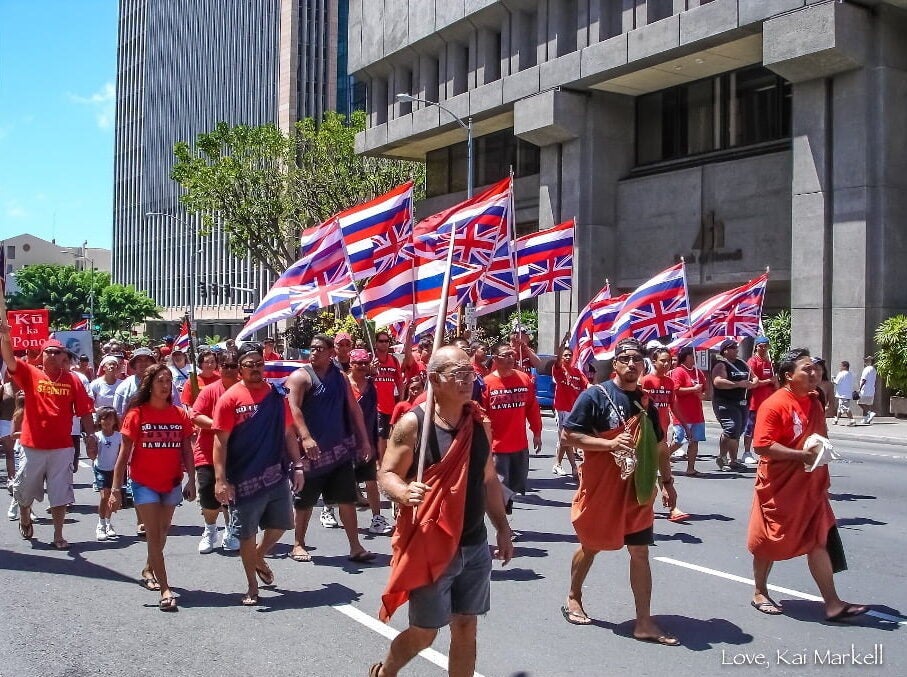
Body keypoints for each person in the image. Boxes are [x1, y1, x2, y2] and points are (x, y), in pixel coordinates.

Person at [371, 346, 513, 677]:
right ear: (435, 379)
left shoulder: (479, 423)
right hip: (432, 544)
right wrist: (404, 491)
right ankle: (387, 670)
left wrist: (503, 528)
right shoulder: (413, 423)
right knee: (425, 632)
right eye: (458, 374)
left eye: (470, 373)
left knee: (466, 626)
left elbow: (488, 480)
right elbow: (386, 473)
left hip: (474, 544)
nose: (468, 381)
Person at [561, 338, 678, 645]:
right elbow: (569, 435)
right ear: (614, 364)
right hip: (602, 489)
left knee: (640, 551)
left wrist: (667, 483)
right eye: (624, 359)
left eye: (636, 360)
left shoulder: (646, 402)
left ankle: (643, 621)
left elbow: (659, 447)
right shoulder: (594, 396)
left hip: (637, 490)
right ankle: (573, 596)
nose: (630, 365)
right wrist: (609, 444)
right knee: (591, 545)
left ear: (643, 365)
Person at [747, 348, 868, 621]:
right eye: (806, 368)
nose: (814, 372)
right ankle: (760, 591)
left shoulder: (815, 400)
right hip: (779, 486)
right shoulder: (774, 404)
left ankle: (833, 603)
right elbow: (762, 445)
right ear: (789, 376)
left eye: (815, 367)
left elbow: (818, 437)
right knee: (768, 541)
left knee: (818, 541)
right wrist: (801, 455)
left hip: (810, 486)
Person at [212, 343, 304, 606]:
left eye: (259, 364)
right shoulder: (230, 398)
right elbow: (221, 442)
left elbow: (289, 432)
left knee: (282, 524)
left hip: (275, 472)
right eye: (249, 365)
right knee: (246, 532)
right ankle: (252, 586)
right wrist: (221, 479)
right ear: (239, 369)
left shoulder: (276, 396)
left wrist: (298, 466)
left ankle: (258, 556)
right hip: (244, 476)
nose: (255, 370)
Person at [0, 325, 97, 550]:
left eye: (57, 352)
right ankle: (25, 514)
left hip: (61, 447)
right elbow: (9, 359)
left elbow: (84, 412)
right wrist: (5, 337)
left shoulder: (73, 380)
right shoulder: (30, 373)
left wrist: (91, 436)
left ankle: (58, 534)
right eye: (48, 352)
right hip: (32, 446)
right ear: (41, 356)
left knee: (60, 493)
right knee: (24, 491)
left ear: (65, 356)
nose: (53, 355)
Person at [109, 364, 196, 611]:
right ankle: (166, 589)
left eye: (168, 380)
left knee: (163, 530)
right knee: (153, 534)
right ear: (150, 384)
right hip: (143, 482)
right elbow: (123, 454)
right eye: (160, 380)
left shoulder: (179, 414)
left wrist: (192, 480)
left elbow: (187, 450)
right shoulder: (137, 414)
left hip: (171, 482)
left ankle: (149, 568)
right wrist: (116, 489)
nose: (165, 385)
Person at [285, 333, 376, 563]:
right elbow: (293, 409)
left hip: (340, 450)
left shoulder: (341, 377)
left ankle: (355, 547)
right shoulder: (300, 377)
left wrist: (364, 440)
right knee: (304, 501)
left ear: (331, 353)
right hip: (311, 453)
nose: (314, 352)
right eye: (312, 348)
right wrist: (305, 437)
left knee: (346, 499)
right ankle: (298, 544)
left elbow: (354, 409)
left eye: (319, 349)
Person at [482, 343, 542, 521]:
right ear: (495, 358)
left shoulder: (524, 379)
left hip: (519, 445)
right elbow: (480, 415)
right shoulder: (487, 384)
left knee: (515, 485)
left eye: (512, 354)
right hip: (496, 447)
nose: (510, 358)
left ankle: (505, 507)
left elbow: (532, 408)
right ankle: (502, 524)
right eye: (505, 355)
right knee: (499, 486)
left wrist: (537, 432)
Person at [188, 355, 241, 554]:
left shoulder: (244, 390)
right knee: (209, 497)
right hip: (207, 453)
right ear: (220, 367)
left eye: (233, 365)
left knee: (232, 496)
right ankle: (210, 530)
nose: (229, 369)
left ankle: (231, 530)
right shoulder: (210, 391)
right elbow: (195, 415)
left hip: (237, 454)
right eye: (225, 366)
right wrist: (218, 425)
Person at [347, 348, 394, 535]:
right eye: (358, 363)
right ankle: (328, 509)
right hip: (346, 441)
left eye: (365, 363)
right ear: (351, 364)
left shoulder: (371, 386)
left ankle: (377, 518)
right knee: (340, 480)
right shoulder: (343, 384)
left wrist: (373, 441)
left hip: (366, 438)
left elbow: (374, 414)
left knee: (371, 479)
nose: (362, 366)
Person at [641, 347, 689, 522]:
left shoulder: (669, 383)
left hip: (662, 435)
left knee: (666, 472)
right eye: (663, 360)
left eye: (669, 360)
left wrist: (685, 425)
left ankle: (673, 507)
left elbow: (674, 405)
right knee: (649, 473)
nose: (667, 363)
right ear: (654, 362)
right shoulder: (645, 381)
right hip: (646, 435)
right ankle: (646, 510)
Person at [711, 339, 756, 471]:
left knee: (737, 431)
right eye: (733, 348)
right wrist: (737, 384)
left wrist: (753, 383)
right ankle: (728, 458)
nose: (736, 350)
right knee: (732, 427)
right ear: (725, 350)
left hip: (742, 402)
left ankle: (727, 458)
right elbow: (718, 382)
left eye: (736, 347)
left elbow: (754, 377)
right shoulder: (721, 365)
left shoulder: (742, 363)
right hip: (725, 402)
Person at [668, 346, 707, 476]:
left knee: (694, 441)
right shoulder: (678, 371)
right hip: (682, 414)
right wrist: (693, 389)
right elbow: (676, 390)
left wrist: (702, 394)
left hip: (696, 414)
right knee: (679, 440)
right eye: (692, 355)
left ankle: (691, 468)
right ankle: (662, 458)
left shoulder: (698, 372)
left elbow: (705, 389)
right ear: (685, 357)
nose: (694, 358)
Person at [552, 346, 587, 477]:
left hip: (573, 410)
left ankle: (557, 464)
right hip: (561, 408)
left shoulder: (577, 372)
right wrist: (562, 345)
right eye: (565, 355)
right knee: (566, 438)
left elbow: (587, 385)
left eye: (569, 355)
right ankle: (574, 468)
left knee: (564, 439)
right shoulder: (559, 370)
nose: (567, 357)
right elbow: (557, 360)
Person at [742, 336, 778, 465]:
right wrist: (769, 381)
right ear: (756, 346)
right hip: (755, 402)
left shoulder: (770, 363)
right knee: (751, 428)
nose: (763, 348)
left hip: (769, 402)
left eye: (765, 346)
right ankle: (746, 452)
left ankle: (767, 451)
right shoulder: (752, 362)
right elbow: (754, 382)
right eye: (761, 346)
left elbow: (775, 383)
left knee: (768, 428)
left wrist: (775, 383)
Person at [113, 347, 179, 417]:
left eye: (147, 360)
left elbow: (177, 408)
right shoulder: (124, 386)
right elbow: (117, 415)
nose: (143, 363)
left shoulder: (167, 384)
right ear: (134, 364)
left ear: (153, 363)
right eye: (139, 360)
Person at [91, 407, 122, 541]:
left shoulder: (118, 436)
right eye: (104, 418)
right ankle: (101, 524)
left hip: (114, 470)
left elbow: (122, 454)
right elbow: (92, 454)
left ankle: (108, 523)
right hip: (101, 469)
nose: (108, 421)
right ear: (100, 421)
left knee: (111, 497)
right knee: (104, 496)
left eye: (111, 418)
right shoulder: (97, 436)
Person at [832, 361, 855, 426]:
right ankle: (836, 420)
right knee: (840, 407)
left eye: (841, 366)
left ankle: (852, 420)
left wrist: (833, 378)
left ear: (844, 366)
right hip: (847, 394)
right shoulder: (850, 374)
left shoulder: (841, 373)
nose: (840, 367)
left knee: (845, 408)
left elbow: (836, 382)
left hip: (842, 394)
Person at [858, 355, 877, 424]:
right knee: (868, 405)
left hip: (865, 390)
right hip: (871, 390)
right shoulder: (874, 369)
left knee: (859, 403)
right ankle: (866, 419)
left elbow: (864, 379)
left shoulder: (866, 369)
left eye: (866, 361)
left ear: (869, 362)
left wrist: (859, 389)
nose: (865, 362)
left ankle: (870, 413)